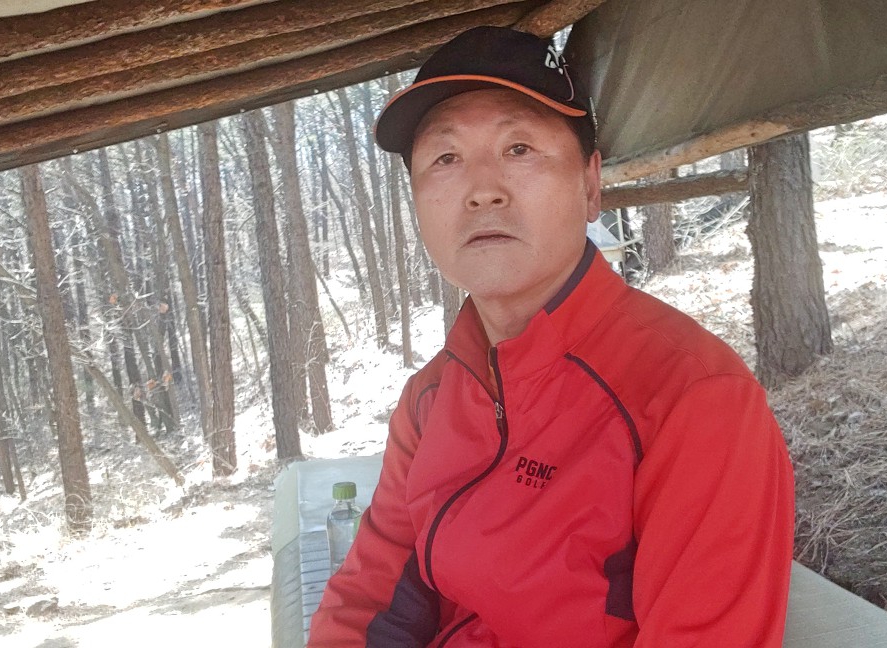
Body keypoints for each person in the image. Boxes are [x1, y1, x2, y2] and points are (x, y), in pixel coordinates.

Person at [308, 25, 794, 647]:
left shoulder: (693, 398)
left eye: (519, 148)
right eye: (445, 158)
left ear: (590, 185)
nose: (483, 190)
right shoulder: (431, 400)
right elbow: (370, 599)